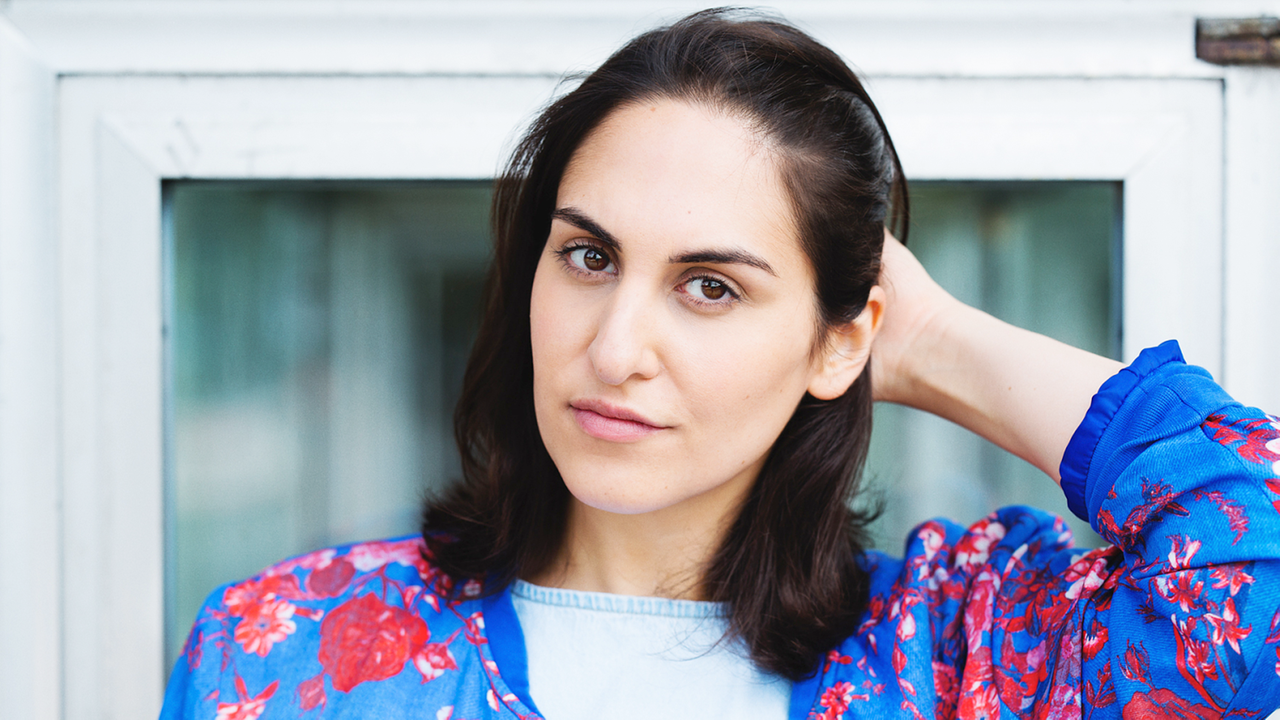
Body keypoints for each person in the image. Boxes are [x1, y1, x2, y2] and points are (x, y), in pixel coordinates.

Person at [160, 9, 1280, 719]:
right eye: (588, 256)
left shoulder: (963, 659)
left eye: (711, 285)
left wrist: (932, 341)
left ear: (843, 336)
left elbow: (1252, 558)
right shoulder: (288, 653)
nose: (612, 349)